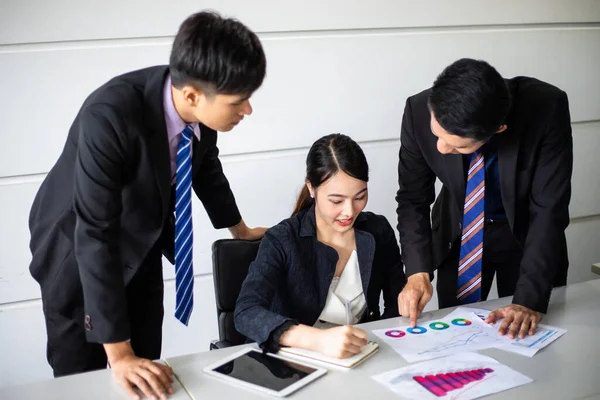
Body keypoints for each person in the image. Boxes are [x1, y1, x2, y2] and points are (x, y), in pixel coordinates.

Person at [28, 11, 266, 400]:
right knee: (83, 381)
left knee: (147, 372)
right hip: (75, 249)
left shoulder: (194, 101)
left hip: (141, 236)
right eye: (239, 101)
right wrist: (119, 355)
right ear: (192, 95)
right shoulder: (109, 116)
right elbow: (95, 233)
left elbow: (204, 165)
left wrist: (238, 228)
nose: (248, 111)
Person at [396, 58, 572, 341]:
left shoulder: (546, 108)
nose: (441, 148)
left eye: (457, 145)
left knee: (523, 336)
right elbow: (412, 198)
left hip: (527, 239)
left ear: (497, 129)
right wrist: (417, 272)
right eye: (437, 134)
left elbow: (549, 209)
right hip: (459, 234)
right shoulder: (418, 110)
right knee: (456, 339)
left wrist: (528, 300)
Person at [234, 134, 406, 359]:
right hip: (293, 359)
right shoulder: (282, 239)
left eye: (360, 197)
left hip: (359, 356)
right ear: (311, 188)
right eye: (336, 201)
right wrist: (316, 339)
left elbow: (397, 302)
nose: (349, 211)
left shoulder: (378, 230)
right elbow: (246, 312)